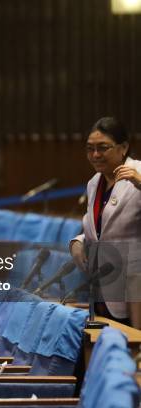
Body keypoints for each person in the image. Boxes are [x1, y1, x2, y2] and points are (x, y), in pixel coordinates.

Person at [70, 117, 141, 327]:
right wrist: (78, 241)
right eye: (90, 148)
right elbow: (99, 228)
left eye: (102, 148)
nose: (95, 155)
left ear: (124, 147)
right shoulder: (94, 182)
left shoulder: (139, 172)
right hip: (103, 284)